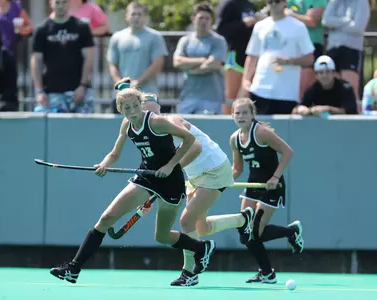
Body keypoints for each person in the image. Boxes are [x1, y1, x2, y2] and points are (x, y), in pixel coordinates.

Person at [49, 79, 216, 284]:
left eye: (135, 106)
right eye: (126, 108)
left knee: (162, 236)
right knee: (107, 217)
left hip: (170, 180)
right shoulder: (126, 124)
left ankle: (201, 248)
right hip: (146, 176)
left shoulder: (156, 122)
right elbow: (114, 154)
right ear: (120, 109)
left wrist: (171, 165)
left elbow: (190, 140)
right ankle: (73, 269)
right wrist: (103, 164)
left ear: (141, 105)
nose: (132, 111)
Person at [115, 77, 255, 286]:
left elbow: (195, 146)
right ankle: (243, 220)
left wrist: (172, 170)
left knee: (186, 221)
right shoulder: (145, 127)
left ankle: (189, 273)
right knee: (201, 227)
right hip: (195, 174)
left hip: (213, 169)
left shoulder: (167, 122)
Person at [230, 97, 304, 283]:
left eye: (245, 112)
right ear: (232, 115)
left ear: (253, 114)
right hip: (253, 185)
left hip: (272, 186)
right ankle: (268, 271)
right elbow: (237, 169)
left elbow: (288, 152)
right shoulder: (235, 139)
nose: (241, 116)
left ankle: (290, 234)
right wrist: (220, 181)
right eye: (237, 113)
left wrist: (275, 177)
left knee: (255, 231)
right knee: (245, 232)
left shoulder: (262, 133)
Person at [242, 0, 314, 114]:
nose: (274, 4)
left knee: (281, 131)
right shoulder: (260, 26)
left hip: (286, 94)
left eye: (277, 1)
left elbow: (310, 59)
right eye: (270, 1)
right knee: (257, 130)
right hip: (259, 90)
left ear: (285, 2)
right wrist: (246, 81)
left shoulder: (298, 27)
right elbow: (252, 56)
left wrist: (289, 61)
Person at [31, 0, 95, 113]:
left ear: (69, 3)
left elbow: (89, 59)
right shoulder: (41, 30)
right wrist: (39, 91)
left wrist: (83, 85)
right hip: (52, 91)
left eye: (64, 2)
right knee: (55, 130)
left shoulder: (82, 27)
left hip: (79, 91)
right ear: (51, 3)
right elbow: (36, 61)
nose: (60, 6)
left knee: (84, 129)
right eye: (57, 2)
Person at [322, 0, 371, 110]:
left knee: (350, 88)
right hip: (333, 48)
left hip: (351, 49)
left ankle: (355, 119)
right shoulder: (334, 2)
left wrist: (335, 25)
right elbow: (325, 20)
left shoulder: (362, 2)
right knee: (332, 88)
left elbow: (358, 28)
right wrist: (347, 21)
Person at [214, 0, 260, 114]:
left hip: (251, 57)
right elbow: (221, 29)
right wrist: (243, 23)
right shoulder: (228, 4)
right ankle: (225, 125)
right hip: (234, 56)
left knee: (247, 97)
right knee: (230, 97)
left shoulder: (251, 5)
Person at [293, 55, 357, 115]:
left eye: (328, 72)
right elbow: (296, 110)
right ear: (316, 76)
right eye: (321, 72)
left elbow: (350, 111)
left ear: (334, 73)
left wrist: (326, 109)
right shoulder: (312, 90)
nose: (324, 76)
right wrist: (300, 109)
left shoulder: (345, 88)